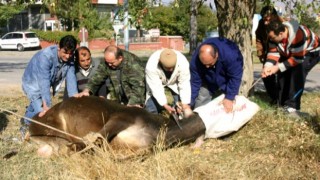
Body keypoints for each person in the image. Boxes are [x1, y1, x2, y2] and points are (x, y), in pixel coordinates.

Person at [21, 35, 78, 137]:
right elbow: (44, 82)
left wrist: (75, 98)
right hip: (32, 84)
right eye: (65, 52)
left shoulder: (70, 58)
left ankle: (27, 116)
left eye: (70, 53)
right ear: (58, 48)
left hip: (44, 83)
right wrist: (47, 106)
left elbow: (71, 78)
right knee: (43, 113)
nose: (68, 56)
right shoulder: (46, 57)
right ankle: (26, 125)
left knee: (37, 105)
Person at [262, 19, 320, 117]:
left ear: (281, 34)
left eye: (272, 38)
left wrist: (278, 67)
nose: (270, 40)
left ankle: (293, 106)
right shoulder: (273, 36)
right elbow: (273, 53)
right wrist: (268, 66)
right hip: (291, 51)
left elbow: (297, 59)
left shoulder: (298, 35)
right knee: (282, 73)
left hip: (310, 52)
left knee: (297, 73)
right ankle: (282, 103)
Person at [75, 45, 146, 107]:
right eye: (107, 62)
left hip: (135, 98)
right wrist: (87, 90)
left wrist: (132, 104)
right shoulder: (108, 61)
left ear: (120, 58)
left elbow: (138, 87)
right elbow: (97, 77)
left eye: (112, 63)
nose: (109, 65)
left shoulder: (133, 64)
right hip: (118, 97)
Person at [190, 37, 243, 113]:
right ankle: (199, 117)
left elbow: (235, 77)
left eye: (209, 64)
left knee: (227, 102)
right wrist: (189, 102)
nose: (207, 66)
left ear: (216, 55)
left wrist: (229, 97)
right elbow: (195, 82)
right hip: (207, 78)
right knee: (202, 96)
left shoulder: (231, 55)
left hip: (226, 76)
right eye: (204, 64)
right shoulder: (196, 60)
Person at [145, 48, 192, 117]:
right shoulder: (151, 66)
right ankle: (153, 119)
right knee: (151, 105)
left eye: (172, 67)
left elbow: (184, 83)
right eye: (168, 68)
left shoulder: (183, 62)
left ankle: (179, 117)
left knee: (181, 106)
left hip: (175, 82)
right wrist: (165, 105)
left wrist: (185, 104)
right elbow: (156, 87)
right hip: (157, 82)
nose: (171, 70)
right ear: (159, 62)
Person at [255, 5, 284, 104]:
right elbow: (258, 37)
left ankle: (283, 100)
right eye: (264, 19)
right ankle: (275, 98)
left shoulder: (283, 24)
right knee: (266, 75)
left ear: (275, 17)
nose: (266, 22)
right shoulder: (261, 24)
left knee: (282, 77)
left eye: (268, 19)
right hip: (270, 53)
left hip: (283, 53)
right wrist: (260, 52)